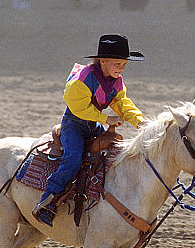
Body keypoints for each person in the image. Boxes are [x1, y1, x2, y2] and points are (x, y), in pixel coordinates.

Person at [33, 34, 146, 226]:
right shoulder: (82, 79)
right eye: (118, 64)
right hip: (73, 125)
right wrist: (106, 118)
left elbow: (122, 103)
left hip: (92, 124)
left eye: (124, 64)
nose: (122, 68)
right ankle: (48, 201)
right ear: (103, 60)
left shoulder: (116, 81)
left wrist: (139, 121)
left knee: (113, 153)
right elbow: (79, 108)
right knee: (73, 159)